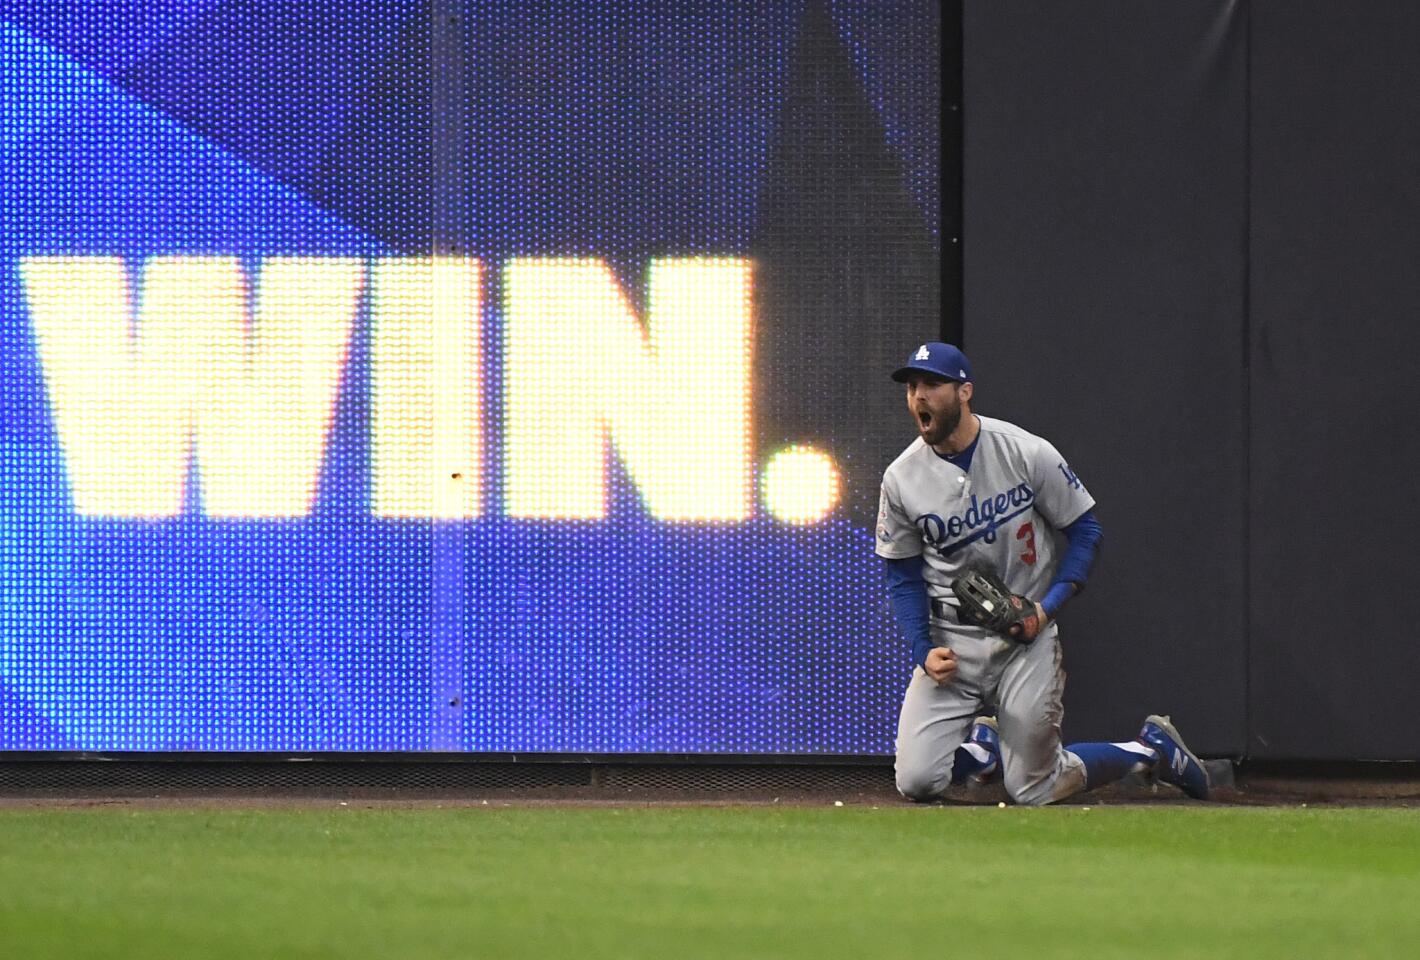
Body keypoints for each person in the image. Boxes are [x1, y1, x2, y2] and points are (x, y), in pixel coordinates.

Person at [875, 342, 1209, 805]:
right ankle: (983, 750)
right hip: (951, 638)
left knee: (1034, 788)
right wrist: (922, 649)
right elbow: (902, 576)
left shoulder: (1026, 452)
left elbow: (1086, 531)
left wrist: (1045, 611)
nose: (918, 397)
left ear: (964, 391)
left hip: (1024, 639)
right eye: (912, 388)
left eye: (931, 384)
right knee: (915, 782)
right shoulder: (901, 477)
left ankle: (1148, 751)